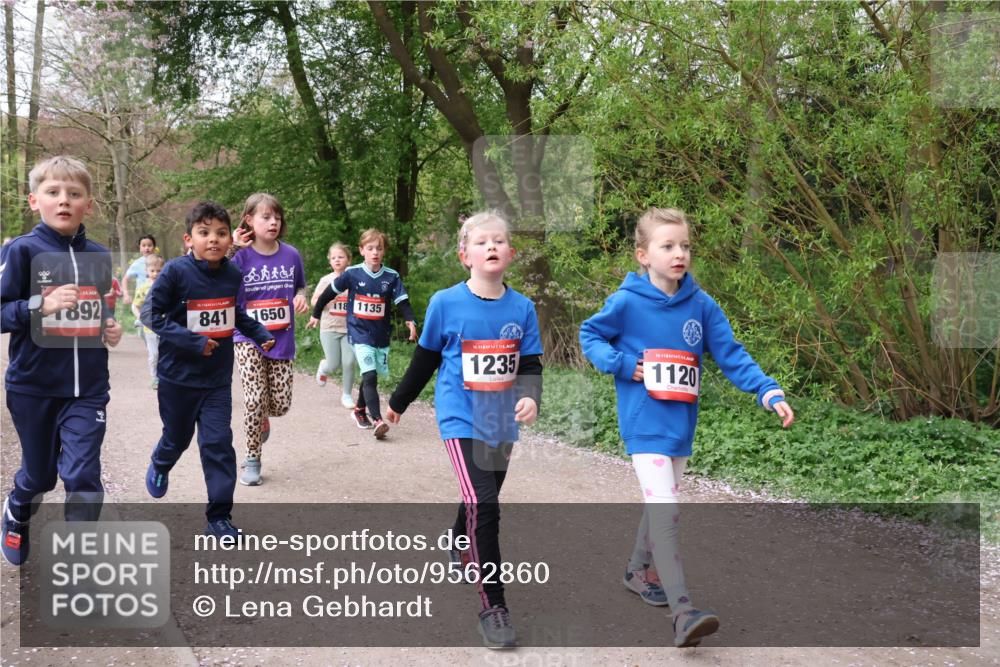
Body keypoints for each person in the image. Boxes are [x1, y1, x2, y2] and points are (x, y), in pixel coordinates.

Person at [579, 207, 795, 648]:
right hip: (644, 424)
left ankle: (638, 570)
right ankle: (682, 611)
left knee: (664, 500)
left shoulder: (702, 305)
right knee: (666, 510)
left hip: (681, 427)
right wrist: (622, 364)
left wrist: (768, 391)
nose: (679, 254)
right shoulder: (626, 302)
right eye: (667, 246)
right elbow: (590, 336)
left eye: (685, 246)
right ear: (644, 254)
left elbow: (732, 355)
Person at [385, 211, 542, 649]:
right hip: (460, 416)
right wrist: (397, 404)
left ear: (511, 252)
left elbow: (529, 364)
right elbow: (426, 359)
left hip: (501, 419)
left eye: (499, 241)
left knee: (482, 492)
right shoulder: (445, 303)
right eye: (481, 242)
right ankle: (494, 607)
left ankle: (458, 537)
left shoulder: (523, 308)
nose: (491, 247)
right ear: (464, 255)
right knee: (486, 505)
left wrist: (530, 396)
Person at [0, 155, 124, 566]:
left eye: (74, 193)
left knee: (83, 476)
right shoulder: (23, 251)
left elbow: (100, 309)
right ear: (35, 200)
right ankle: (17, 511)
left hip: (87, 389)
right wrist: (41, 304)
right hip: (33, 386)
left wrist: (110, 326)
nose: (64, 200)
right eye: (53, 192)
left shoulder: (99, 255)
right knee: (39, 477)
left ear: (88, 204)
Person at [142, 201, 274, 540]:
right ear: (189, 239)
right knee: (178, 438)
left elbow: (234, 314)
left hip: (216, 380)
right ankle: (161, 461)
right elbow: (150, 316)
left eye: (220, 233)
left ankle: (219, 517)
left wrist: (259, 334)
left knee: (217, 444)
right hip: (177, 378)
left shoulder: (232, 274)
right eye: (204, 233)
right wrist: (192, 341)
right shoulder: (174, 272)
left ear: (231, 239)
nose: (212, 239)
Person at [229, 193, 307, 486]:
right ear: (249, 220)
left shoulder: (291, 255)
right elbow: (212, 276)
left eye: (277, 217)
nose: (273, 222)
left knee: (280, 404)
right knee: (253, 399)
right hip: (246, 337)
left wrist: (301, 297)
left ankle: (264, 416)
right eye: (266, 217)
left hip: (281, 340)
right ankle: (252, 458)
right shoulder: (238, 257)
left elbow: (300, 286)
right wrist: (232, 248)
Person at [308, 228, 417, 440]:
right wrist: (316, 314)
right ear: (362, 250)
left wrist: (410, 320)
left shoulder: (391, 276)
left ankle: (358, 410)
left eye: (379, 248)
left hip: (380, 335)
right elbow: (327, 294)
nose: (375, 252)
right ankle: (377, 420)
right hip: (358, 333)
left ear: (384, 252)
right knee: (370, 375)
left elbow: (403, 302)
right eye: (370, 248)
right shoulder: (352, 274)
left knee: (371, 374)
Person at [310, 242, 357, 409]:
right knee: (333, 364)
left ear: (349, 260)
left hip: (349, 328)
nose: (337, 260)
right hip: (329, 327)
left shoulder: (354, 279)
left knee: (349, 362)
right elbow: (314, 301)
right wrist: (328, 299)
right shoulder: (326, 280)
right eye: (334, 257)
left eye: (341, 257)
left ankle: (347, 395)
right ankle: (324, 367)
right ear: (329, 261)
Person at [131, 253, 165, 389]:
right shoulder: (143, 288)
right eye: (152, 271)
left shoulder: (167, 286)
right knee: (154, 354)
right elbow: (135, 305)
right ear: (147, 271)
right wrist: (140, 317)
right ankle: (155, 378)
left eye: (159, 271)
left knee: (164, 352)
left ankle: (165, 377)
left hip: (165, 325)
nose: (155, 274)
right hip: (149, 327)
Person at [121, 234, 156, 305]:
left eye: (149, 245)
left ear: (154, 247)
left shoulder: (159, 262)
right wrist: (126, 295)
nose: (147, 248)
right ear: (140, 248)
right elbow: (125, 279)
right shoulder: (137, 264)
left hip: (156, 297)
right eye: (143, 245)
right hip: (141, 299)